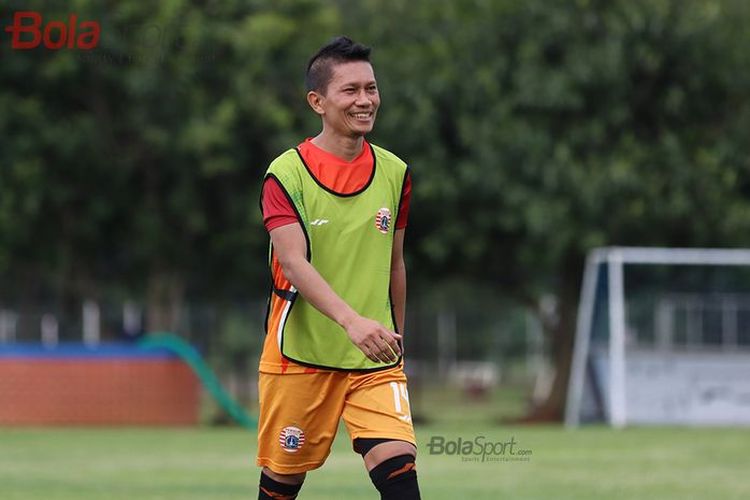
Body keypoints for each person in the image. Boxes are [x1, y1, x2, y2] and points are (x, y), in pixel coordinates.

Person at [256, 36, 421, 500]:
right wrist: (352, 322)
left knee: (401, 479)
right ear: (318, 101)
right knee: (280, 488)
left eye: (371, 88)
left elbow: (395, 264)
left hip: (373, 361)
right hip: (298, 358)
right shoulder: (285, 174)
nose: (365, 100)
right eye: (350, 90)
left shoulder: (396, 172)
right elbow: (292, 261)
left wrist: (394, 342)